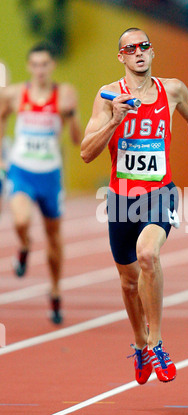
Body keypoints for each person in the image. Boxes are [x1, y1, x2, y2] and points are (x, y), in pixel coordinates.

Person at [81, 27, 188, 384]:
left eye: (144, 46)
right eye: (130, 48)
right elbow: (86, 153)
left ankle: (157, 343)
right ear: (121, 57)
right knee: (129, 283)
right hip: (120, 200)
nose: (139, 52)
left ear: (152, 52)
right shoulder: (107, 96)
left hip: (160, 193)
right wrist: (114, 120)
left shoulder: (172, 89)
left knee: (148, 255)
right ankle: (140, 344)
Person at [0, 41, 82, 324]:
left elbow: (76, 139)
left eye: (44, 64)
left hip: (50, 175)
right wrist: (1, 157)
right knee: (21, 221)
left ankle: (56, 292)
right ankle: (23, 247)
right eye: (34, 65)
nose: (39, 70)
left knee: (54, 239)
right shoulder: (14, 94)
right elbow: (0, 119)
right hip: (22, 170)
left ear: (52, 66)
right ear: (28, 67)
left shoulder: (65, 94)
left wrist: (71, 116)